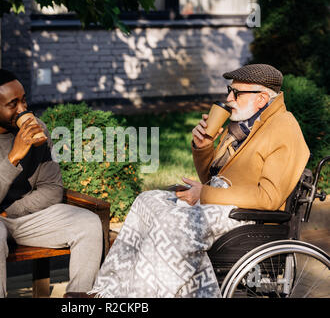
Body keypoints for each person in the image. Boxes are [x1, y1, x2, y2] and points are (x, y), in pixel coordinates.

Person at [78, 64, 310, 298]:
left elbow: (268, 198)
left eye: (236, 93)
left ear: (261, 99)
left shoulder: (283, 128)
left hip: (251, 218)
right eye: (229, 90)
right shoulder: (244, 126)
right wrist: (203, 147)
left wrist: (204, 194)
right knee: (146, 201)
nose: (229, 99)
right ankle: (107, 293)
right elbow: (212, 178)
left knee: (172, 223)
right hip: (225, 205)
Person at [0, 69, 102, 298]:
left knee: (87, 223)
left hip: (21, 212)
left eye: (24, 100)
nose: (23, 109)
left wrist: (11, 211)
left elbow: (52, 189)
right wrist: (13, 157)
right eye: (13, 104)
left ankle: (78, 300)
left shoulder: (37, 128)